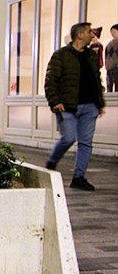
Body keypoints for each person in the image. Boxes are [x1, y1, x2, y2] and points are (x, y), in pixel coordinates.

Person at [44, 22, 105, 191]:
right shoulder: (61, 55)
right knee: (68, 138)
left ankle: (79, 177)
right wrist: (55, 102)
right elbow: (50, 81)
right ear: (80, 35)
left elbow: (96, 79)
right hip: (68, 107)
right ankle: (51, 163)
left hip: (90, 107)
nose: (92, 35)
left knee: (86, 143)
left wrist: (99, 103)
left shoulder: (91, 56)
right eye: (89, 32)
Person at [105, 24, 118, 92]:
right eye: (111, 32)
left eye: (114, 31)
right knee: (109, 85)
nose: (112, 34)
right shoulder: (109, 44)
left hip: (115, 67)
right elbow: (106, 56)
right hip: (110, 68)